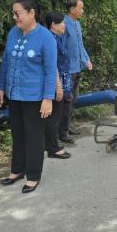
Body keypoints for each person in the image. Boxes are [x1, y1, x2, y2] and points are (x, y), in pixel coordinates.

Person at [0, 0, 57, 193]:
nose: (15, 17)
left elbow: (50, 70)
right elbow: (6, 61)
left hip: (35, 97)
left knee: (34, 136)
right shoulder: (13, 33)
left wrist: (48, 98)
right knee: (18, 133)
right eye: (13, 14)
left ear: (31, 13)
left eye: (18, 13)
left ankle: (33, 175)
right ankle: (17, 170)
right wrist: (1, 87)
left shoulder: (46, 37)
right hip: (14, 95)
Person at [61, 0, 92, 144]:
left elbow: (80, 45)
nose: (82, 11)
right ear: (72, 9)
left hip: (77, 67)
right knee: (66, 100)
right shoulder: (63, 24)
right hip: (68, 69)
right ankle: (62, 132)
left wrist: (86, 59)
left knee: (73, 99)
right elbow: (62, 47)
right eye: (80, 8)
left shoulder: (77, 24)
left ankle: (67, 127)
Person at [44, 12, 72, 160]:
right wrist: (58, 86)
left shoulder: (57, 38)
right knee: (54, 116)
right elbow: (52, 65)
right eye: (62, 22)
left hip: (61, 81)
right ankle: (53, 148)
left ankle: (48, 144)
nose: (64, 25)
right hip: (56, 83)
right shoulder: (51, 40)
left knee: (53, 116)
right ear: (53, 25)